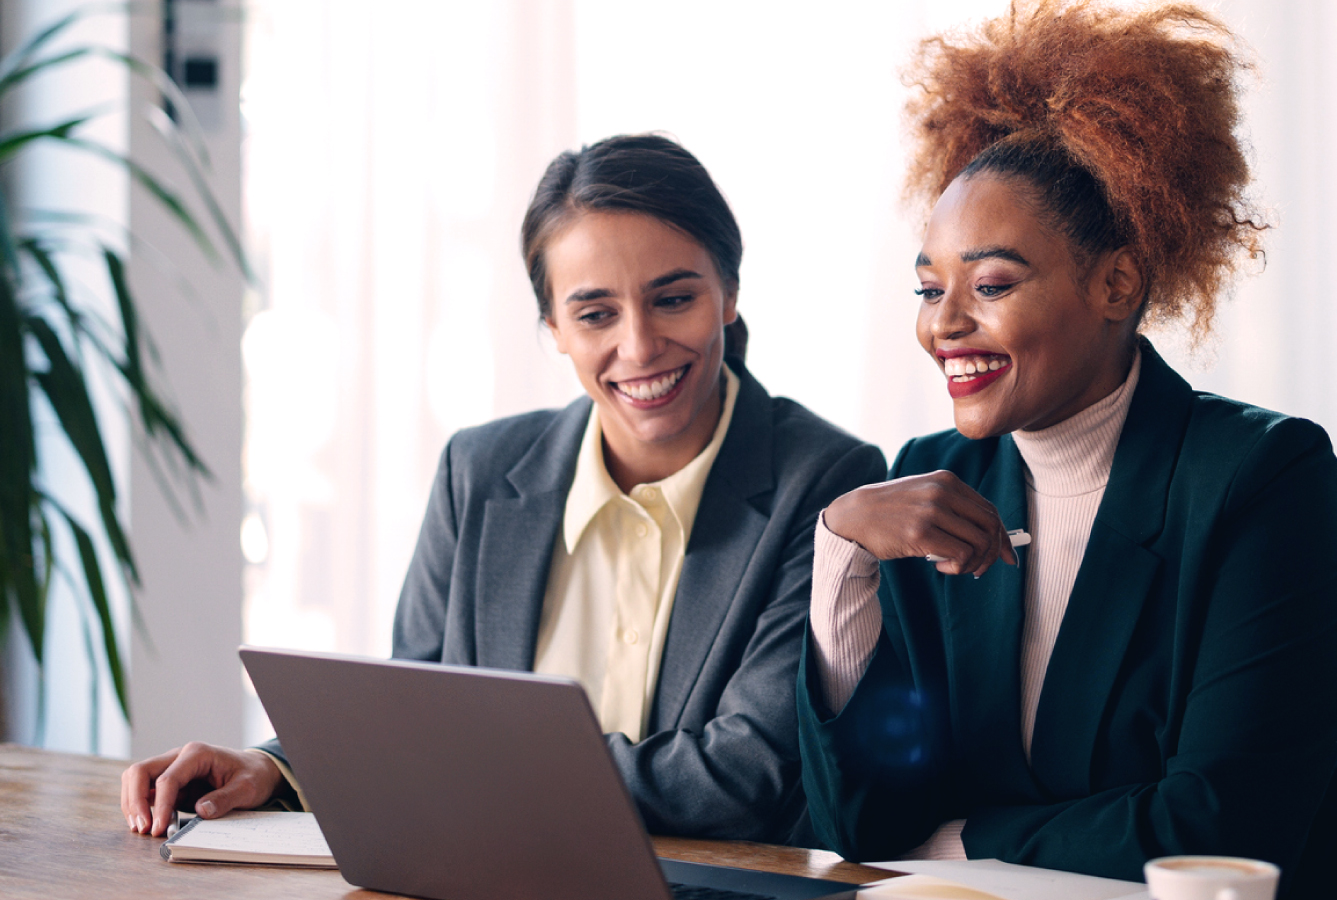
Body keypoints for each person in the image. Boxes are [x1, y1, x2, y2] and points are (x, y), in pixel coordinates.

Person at [797, 3, 1337, 898]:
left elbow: (1217, 827)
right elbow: (863, 822)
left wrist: (964, 841)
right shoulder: (935, 480)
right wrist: (843, 556)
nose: (944, 323)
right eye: (928, 286)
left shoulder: (1260, 477)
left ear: (1117, 281)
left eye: (990, 284)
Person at [121, 134, 887, 846]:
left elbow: (745, 775)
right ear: (553, 326)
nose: (640, 345)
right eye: (595, 313)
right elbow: (414, 709)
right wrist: (277, 770)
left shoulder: (825, 482)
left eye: (674, 298)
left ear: (729, 291)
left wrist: (468, 773)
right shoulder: (478, 473)